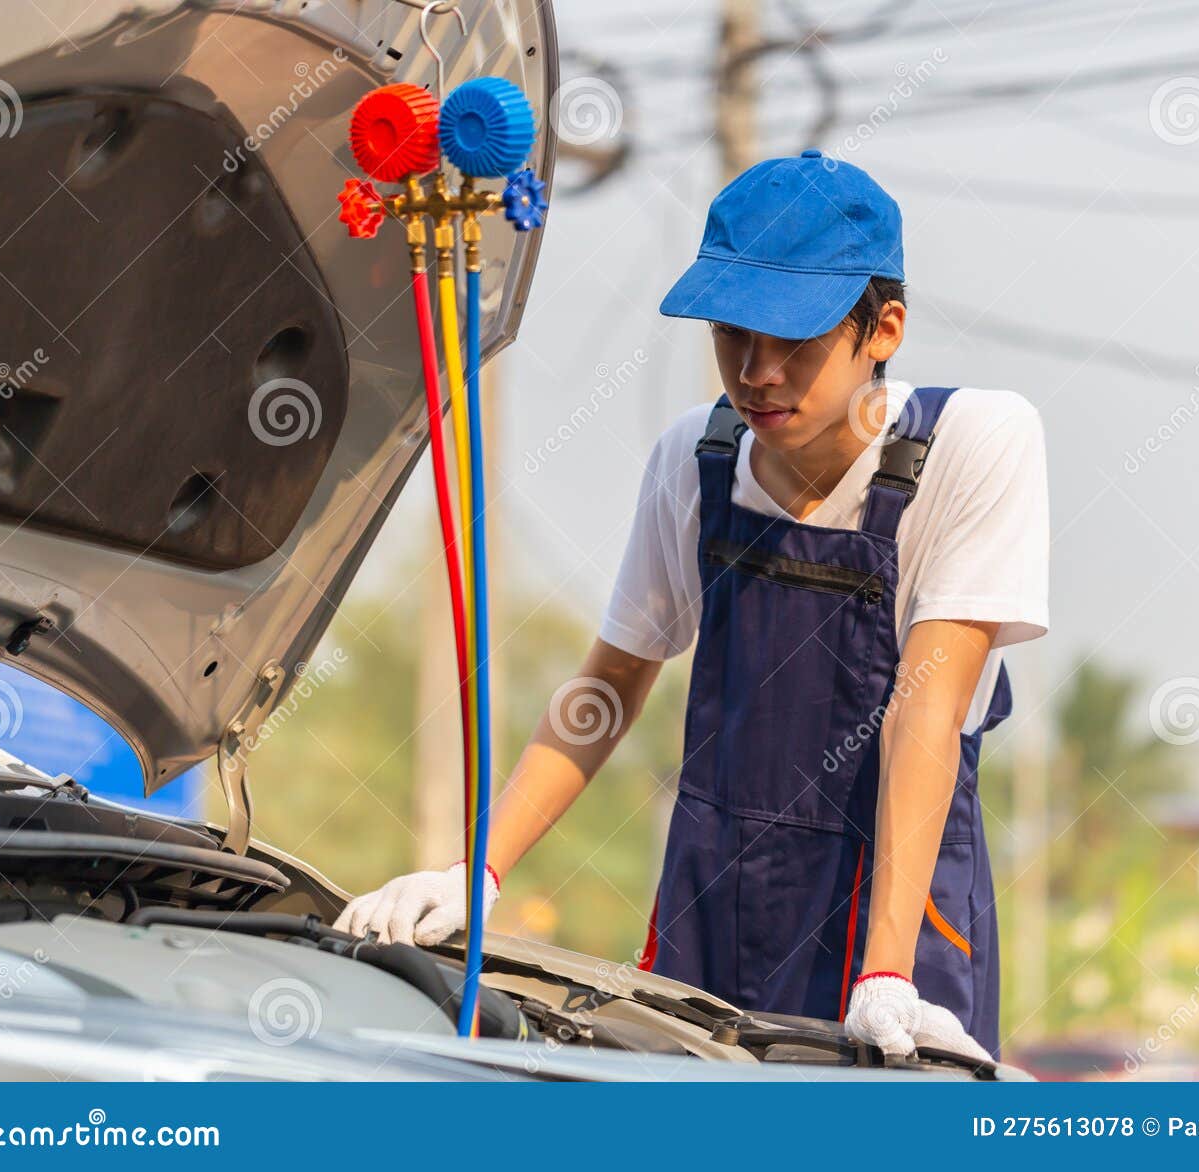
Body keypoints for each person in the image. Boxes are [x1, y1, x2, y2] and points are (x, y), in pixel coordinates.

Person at [337, 149, 1049, 1060]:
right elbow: (611, 683)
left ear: (885, 329)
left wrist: (883, 974)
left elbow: (928, 712)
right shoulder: (697, 460)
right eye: (731, 335)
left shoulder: (970, 445)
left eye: (793, 341)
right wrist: (476, 871)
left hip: (893, 906)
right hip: (715, 898)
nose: (756, 372)